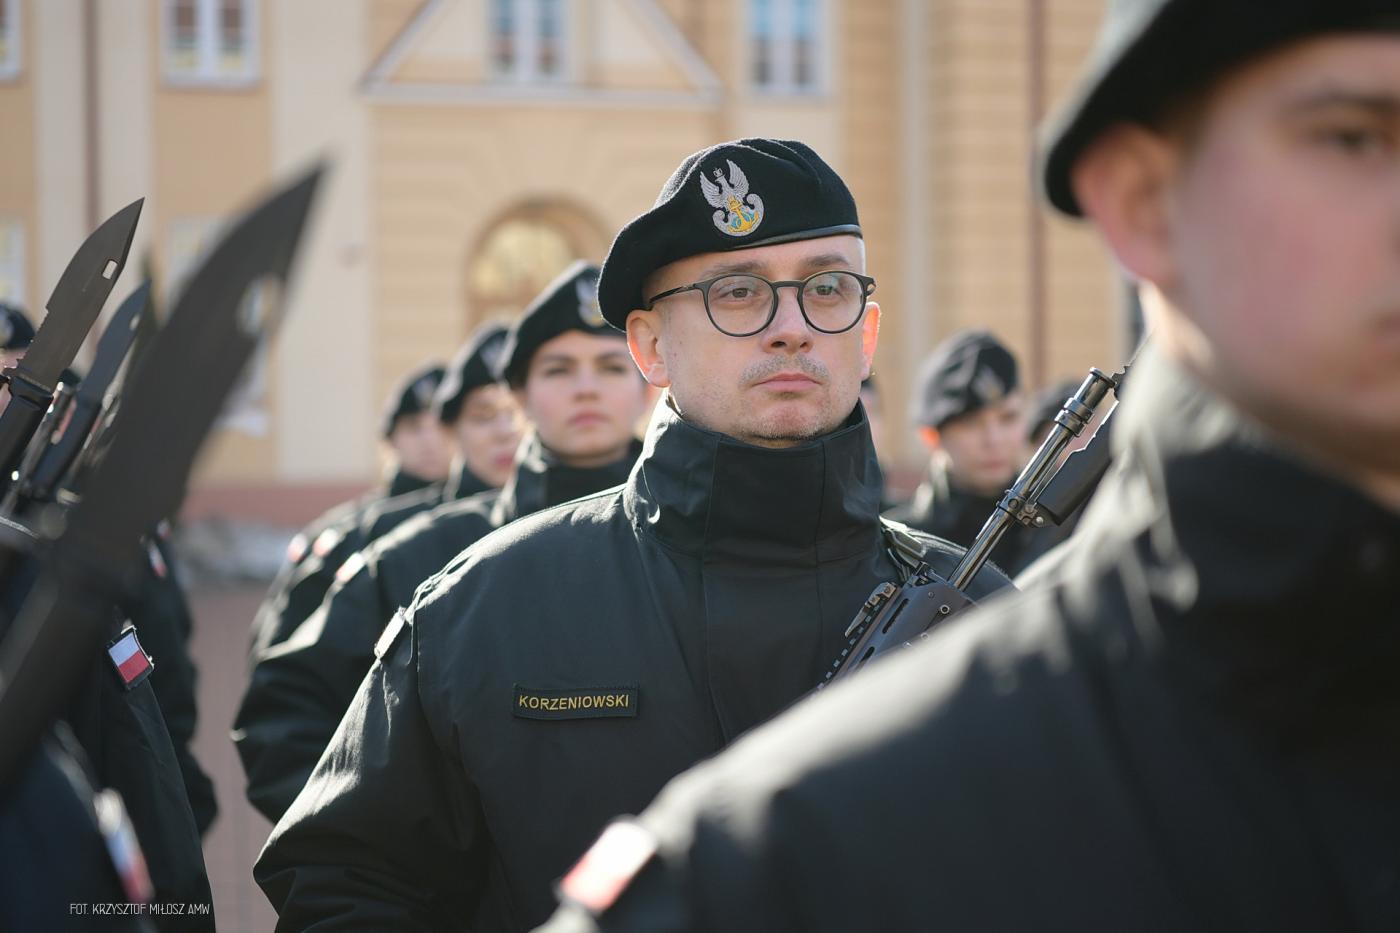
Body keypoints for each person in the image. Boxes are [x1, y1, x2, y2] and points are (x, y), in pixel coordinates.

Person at [536, 3, 1400, 931]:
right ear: (1146, 204)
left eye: (825, 289)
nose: (790, 327)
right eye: (1354, 138)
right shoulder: (764, 869)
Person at [255, 138, 1013, 931]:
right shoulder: (483, 609)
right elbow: (342, 885)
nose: (792, 327)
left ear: (866, 333)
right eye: (738, 291)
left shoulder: (980, 616)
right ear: (651, 347)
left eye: (827, 288)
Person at [233, 262, 649, 822]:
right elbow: (286, 714)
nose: (586, 387)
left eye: (611, 366)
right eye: (558, 369)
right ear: (520, 396)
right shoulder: (421, 554)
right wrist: (374, 857)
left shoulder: (699, 544)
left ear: (650, 381)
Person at [247, 345, 513, 660]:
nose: (429, 440)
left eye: (436, 427)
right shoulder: (369, 528)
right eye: (414, 427)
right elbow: (292, 647)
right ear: (390, 439)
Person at [887, 329, 1057, 574]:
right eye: (971, 423)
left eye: (1008, 418)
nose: (994, 439)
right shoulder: (898, 547)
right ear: (931, 436)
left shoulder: (1057, 526)